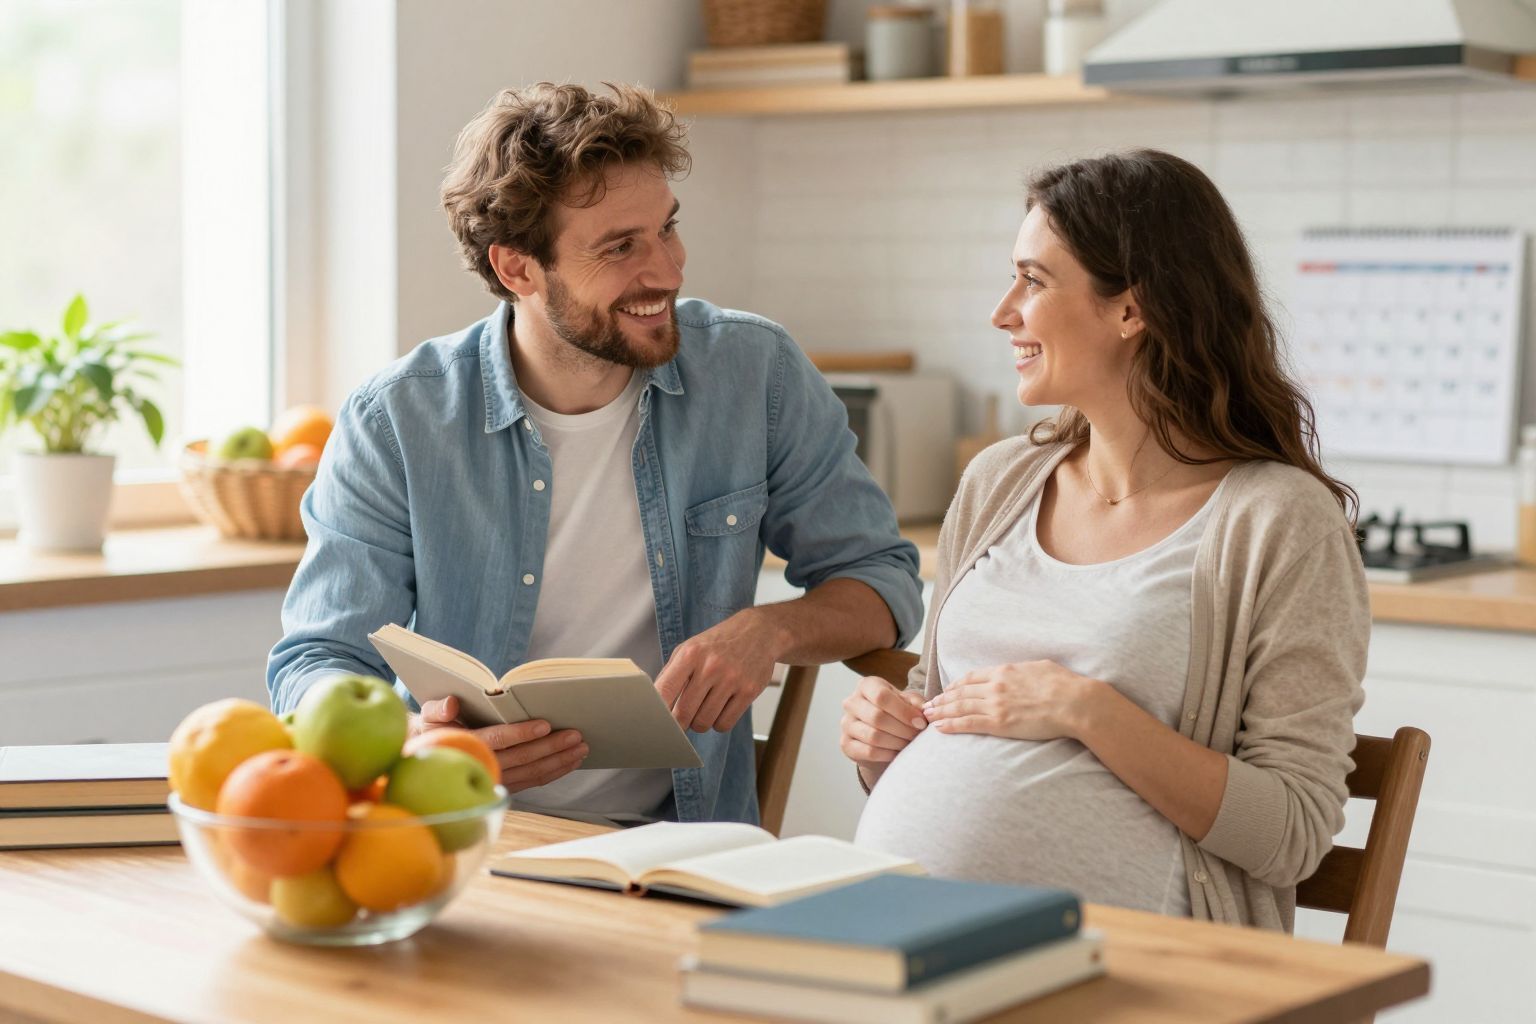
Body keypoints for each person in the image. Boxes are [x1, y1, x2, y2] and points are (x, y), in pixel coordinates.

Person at [268, 82, 922, 827]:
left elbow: (883, 582)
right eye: (621, 247)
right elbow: (317, 661)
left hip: (680, 849)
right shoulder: (397, 419)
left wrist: (769, 629)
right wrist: (413, 742)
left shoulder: (754, 371)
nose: (668, 270)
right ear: (517, 269)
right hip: (465, 839)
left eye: (667, 230)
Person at [840, 149, 1368, 932]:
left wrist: (1087, 710)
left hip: (1133, 975)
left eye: (1034, 280)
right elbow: (946, 723)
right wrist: (883, 747)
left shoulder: (1277, 521)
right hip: (907, 941)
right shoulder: (999, 482)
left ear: (1132, 309)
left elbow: (1292, 833)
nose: (1004, 311)